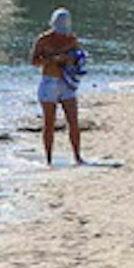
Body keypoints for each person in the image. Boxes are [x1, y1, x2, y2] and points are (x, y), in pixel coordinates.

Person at [32, 10, 85, 164]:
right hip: (49, 82)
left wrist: (69, 59)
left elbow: (79, 59)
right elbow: (35, 61)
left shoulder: (72, 39)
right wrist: (52, 59)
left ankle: (77, 156)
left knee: (73, 120)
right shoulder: (43, 40)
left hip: (66, 83)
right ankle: (48, 159)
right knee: (49, 123)